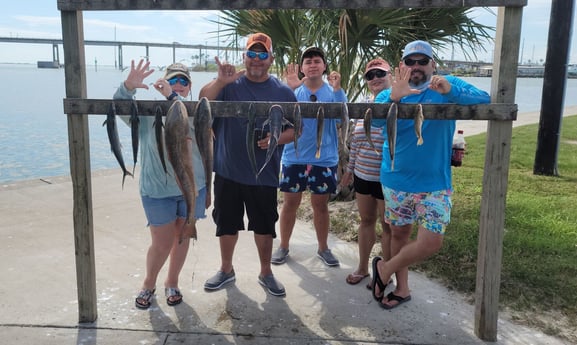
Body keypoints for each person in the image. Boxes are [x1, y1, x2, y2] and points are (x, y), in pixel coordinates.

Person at [371, 40, 490, 309]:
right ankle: (402, 288)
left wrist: (451, 91)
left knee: (431, 242)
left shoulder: (446, 86)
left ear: (432, 64)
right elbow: (374, 122)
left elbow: (484, 99)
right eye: (410, 61)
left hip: (435, 182)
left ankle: (384, 269)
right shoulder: (389, 92)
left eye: (421, 61)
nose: (416, 66)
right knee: (399, 234)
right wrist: (394, 97)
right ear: (402, 65)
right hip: (396, 179)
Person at [198, 33, 296, 297]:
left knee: (264, 226)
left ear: (271, 59)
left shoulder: (283, 92)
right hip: (228, 171)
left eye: (262, 54)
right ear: (244, 57)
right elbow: (202, 102)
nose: (256, 60)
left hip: (263, 175)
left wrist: (276, 139)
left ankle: (266, 272)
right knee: (226, 224)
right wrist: (220, 80)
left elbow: (297, 129)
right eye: (252, 54)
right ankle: (226, 269)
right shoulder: (229, 85)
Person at [113, 60, 208, 309]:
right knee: (162, 242)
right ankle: (148, 283)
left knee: (183, 237)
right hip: (157, 189)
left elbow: (208, 149)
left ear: (189, 87)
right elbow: (121, 109)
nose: (178, 85)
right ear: (162, 82)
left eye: (183, 81)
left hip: (192, 187)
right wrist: (127, 87)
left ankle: (172, 281)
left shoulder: (197, 111)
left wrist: (210, 187)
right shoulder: (147, 111)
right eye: (173, 80)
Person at [272, 47, 348, 267]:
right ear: (302, 67)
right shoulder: (292, 91)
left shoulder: (334, 92)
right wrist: (290, 88)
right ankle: (284, 246)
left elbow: (343, 121)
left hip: (324, 159)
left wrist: (338, 89)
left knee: (321, 205)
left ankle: (323, 248)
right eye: (308, 61)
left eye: (317, 61)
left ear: (324, 66)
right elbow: (280, 116)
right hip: (293, 157)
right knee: (289, 204)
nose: (312, 65)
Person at [340, 58, 393, 286]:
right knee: (366, 220)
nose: (375, 79)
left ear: (391, 75)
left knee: (388, 226)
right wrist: (349, 170)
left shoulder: (400, 104)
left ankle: (386, 271)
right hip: (363, 175)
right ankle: (363, 267)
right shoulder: (363, 106)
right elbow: (356, 142)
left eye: (380, 73)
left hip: (388, 177)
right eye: (370, 76)